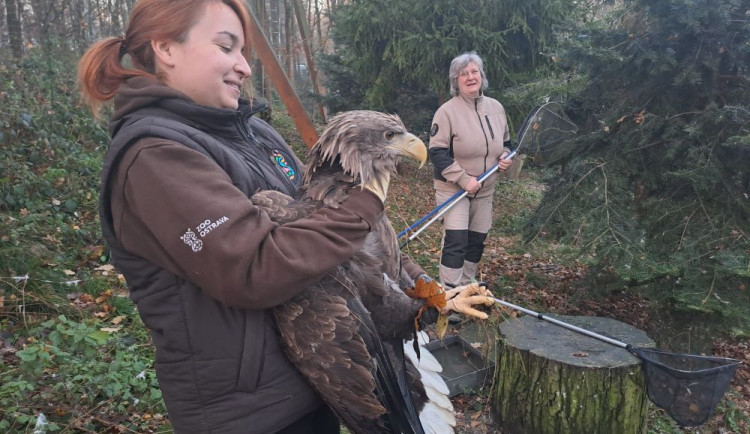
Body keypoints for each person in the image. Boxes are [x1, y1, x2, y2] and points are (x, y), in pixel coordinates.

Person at [77, 2, 492, 432]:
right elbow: (258, 268)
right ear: (165, 48)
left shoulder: (255, 134)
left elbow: (336, 239)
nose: (244, 67)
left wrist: (420, 292)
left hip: (313, 384)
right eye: (226, 47)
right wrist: (366, 202)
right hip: (249, 414)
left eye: (244, 52)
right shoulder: (154, 157)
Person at [428, 52, 513, 289]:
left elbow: (507, 143)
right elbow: (437, 152)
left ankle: (466, 287)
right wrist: (464, 180)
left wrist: (506, 156)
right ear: (456, 81)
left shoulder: (496, 107)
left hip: (485, 190)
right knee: (456, 240)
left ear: (482, 75)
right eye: (463, 74)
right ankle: (450, 296)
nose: (470, 77)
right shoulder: (447, 112)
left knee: (476, 241)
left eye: (474, 71)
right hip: (453, 189)